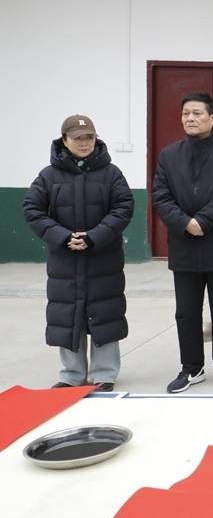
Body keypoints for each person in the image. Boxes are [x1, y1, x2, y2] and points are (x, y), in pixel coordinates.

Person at [23, 115, 134, 392]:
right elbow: (32, 210)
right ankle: (72, 374)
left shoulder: (112, 174)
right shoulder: (48, 176)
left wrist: (94, 237)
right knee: (68, 313)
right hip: (65, 260)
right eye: (78, 138)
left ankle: (104, 374)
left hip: (103, 258)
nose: (84, 143)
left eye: (89, 138)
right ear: (64, 140)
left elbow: (123, 208)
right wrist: (62, 237)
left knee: (105, 312)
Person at [152, 92, 213, 393]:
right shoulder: (169, 155)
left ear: (212, 117)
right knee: (186, 312)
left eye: (197, 113)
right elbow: (160, 196)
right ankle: (191, 367)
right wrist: (185, 223)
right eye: (186, 114)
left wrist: (203, 221)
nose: (190, 118)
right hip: (185, 246)